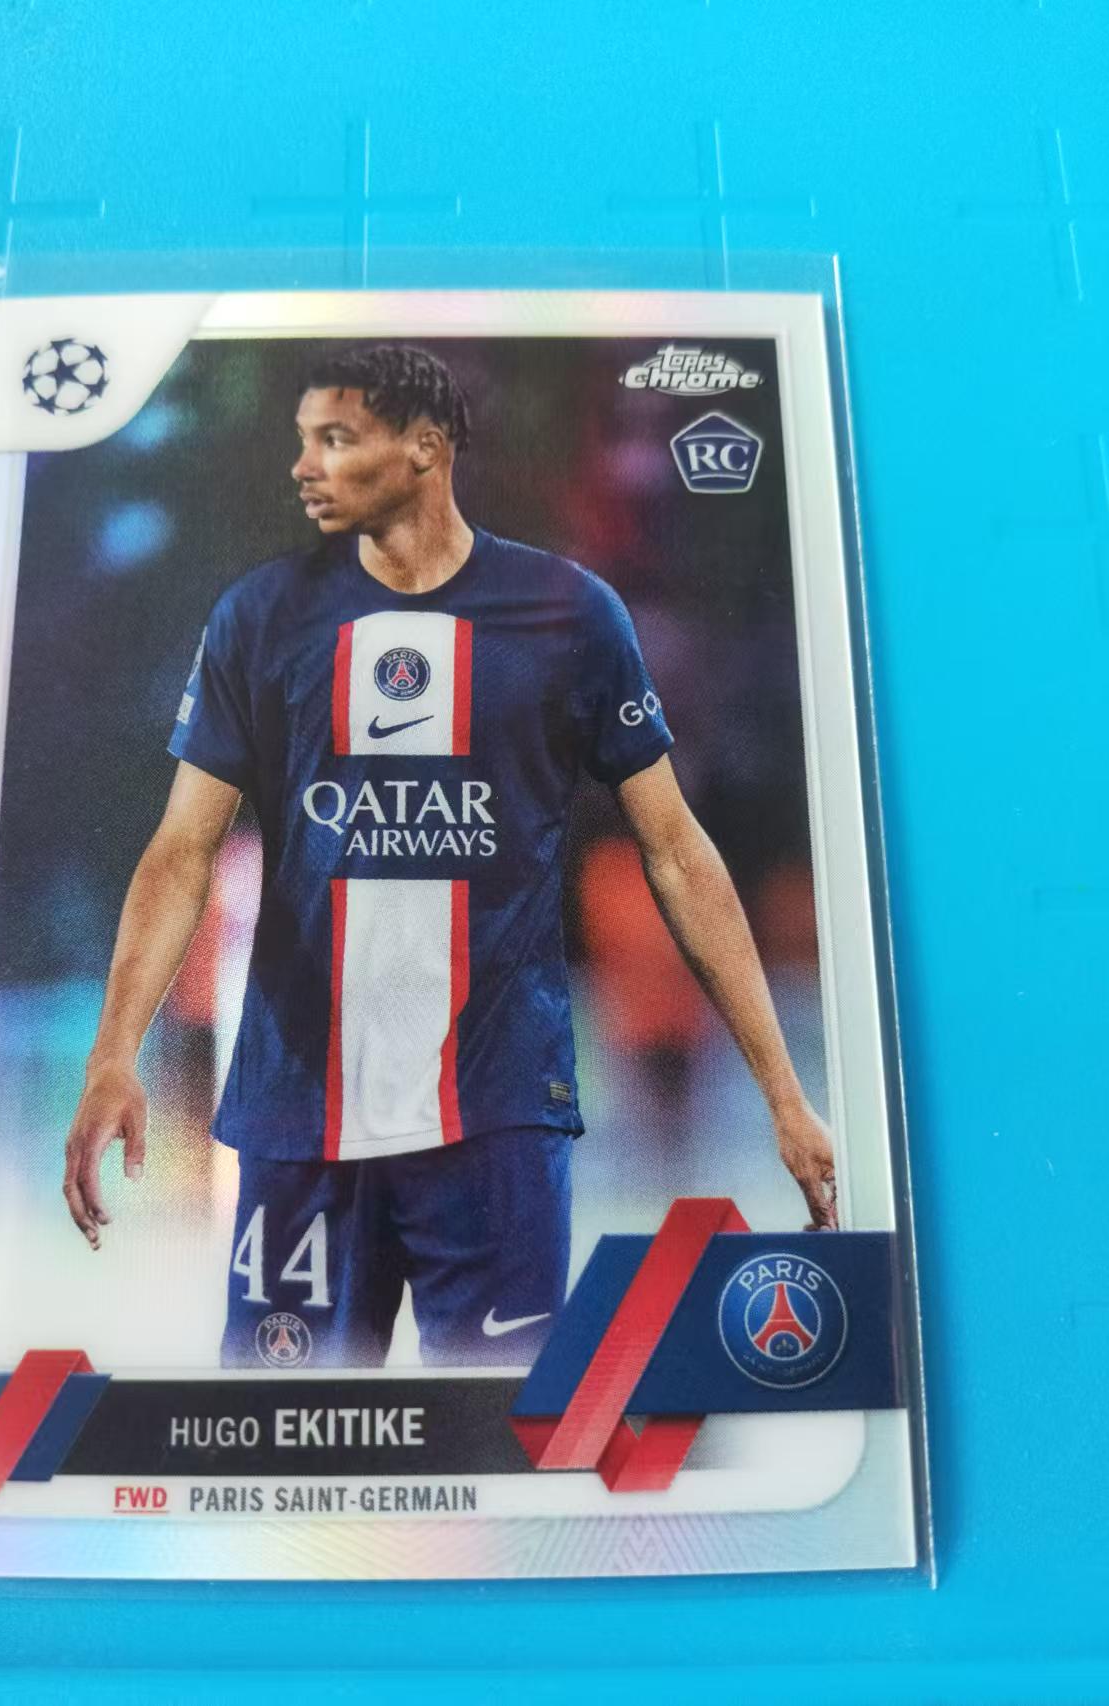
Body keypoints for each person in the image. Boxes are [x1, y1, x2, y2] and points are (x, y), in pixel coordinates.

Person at [63, 343, 836, 1370]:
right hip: (302, 1117)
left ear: (426, 449)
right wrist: (113, 1054)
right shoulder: (259, 616)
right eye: (304, 440)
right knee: (288, 1432)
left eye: (336, 440)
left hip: (493, 1119)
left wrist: (784, 1092)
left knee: (498, 1429)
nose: (307, 465)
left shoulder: (568, 614)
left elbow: (676, 852)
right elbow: (180, 849)